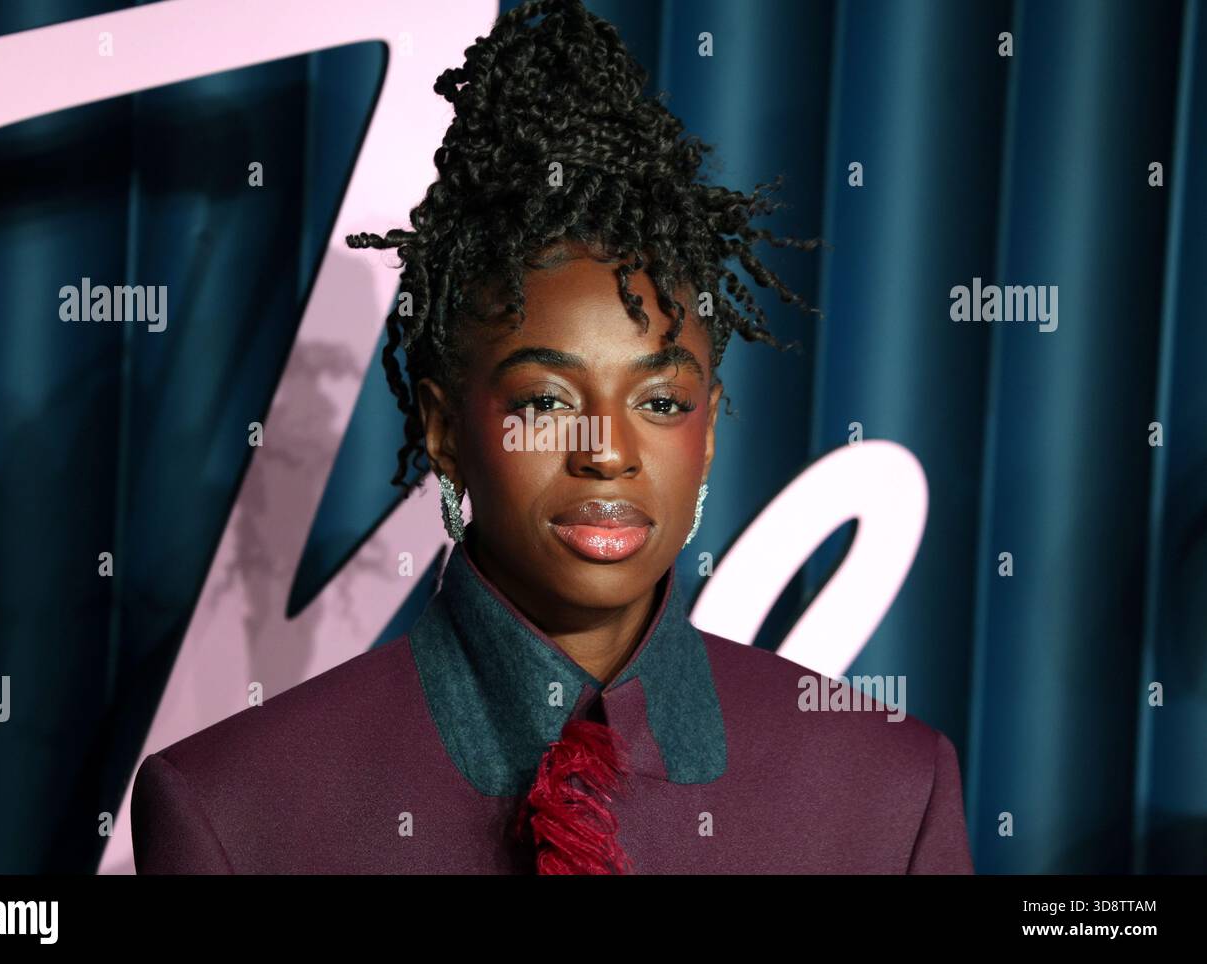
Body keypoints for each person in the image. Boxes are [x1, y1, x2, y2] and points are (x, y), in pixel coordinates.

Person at [131, 0, 974, 875]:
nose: (606, 449)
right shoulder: (233, 812)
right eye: (544, 399)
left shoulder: (890, 792)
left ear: (710, 430)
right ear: (443, 429)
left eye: (659, 401)